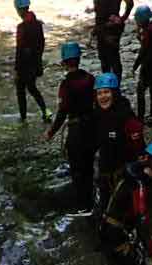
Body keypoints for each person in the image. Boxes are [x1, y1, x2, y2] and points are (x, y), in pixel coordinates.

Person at [45, 42, 97, 210]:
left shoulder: (66, 85)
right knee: (89, 167)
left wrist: (51, 132)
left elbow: (62, 112)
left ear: (65, 62)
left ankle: (83, 206)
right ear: (79, 59)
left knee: (77, 170)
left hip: (76, 130)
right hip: (91, 127)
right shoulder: (90, 78)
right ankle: (92, 200)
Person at [88, 73, 145, 211]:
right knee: (104, 209)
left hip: (124, 172)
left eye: (107, 92)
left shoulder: (126, 117)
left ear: (114, 93)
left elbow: (139, 147)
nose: (103, 97)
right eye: (99, 93)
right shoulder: (97, 115)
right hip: (105, 171)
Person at [13, 0, 50, 124]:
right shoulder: (38, 24)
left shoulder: (21, 27)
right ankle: (45, 112)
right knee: (33, 88)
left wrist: (17, 69)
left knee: (21, 90)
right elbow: (41, 45)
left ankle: (23, 118)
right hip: (35, 63)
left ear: (19, 10)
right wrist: (38, 62)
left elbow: (19, 49)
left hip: (24, 65)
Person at [130, 6, 152, 126]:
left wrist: (135, 66)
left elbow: (143, 50)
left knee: (141, 90)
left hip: (148, 65)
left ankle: (140, 116)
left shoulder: (147, 31)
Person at [91, 0, 131, 78]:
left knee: (111, 58)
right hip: (103, 28)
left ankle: (113, 85)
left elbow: (130, 3)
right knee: (106, 58)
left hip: (111, 29)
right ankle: (109, 85)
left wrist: (122, 19)